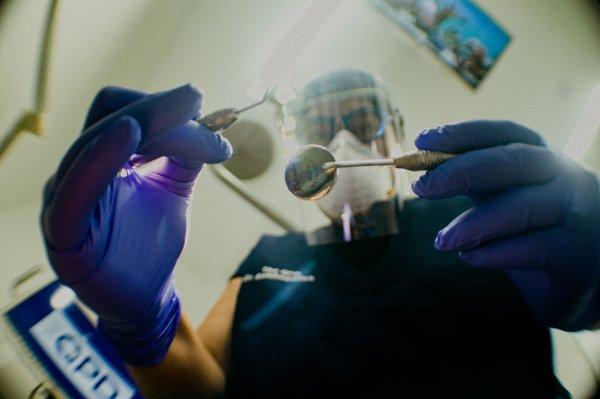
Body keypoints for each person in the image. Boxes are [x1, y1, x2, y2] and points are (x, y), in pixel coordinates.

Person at [40, 70, 599, 398]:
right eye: (319, 129)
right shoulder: (269, 258)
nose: (341, 142)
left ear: (399, 134)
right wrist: (142, 322)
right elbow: (202, 386)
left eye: (361, 122)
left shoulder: (479, 216)